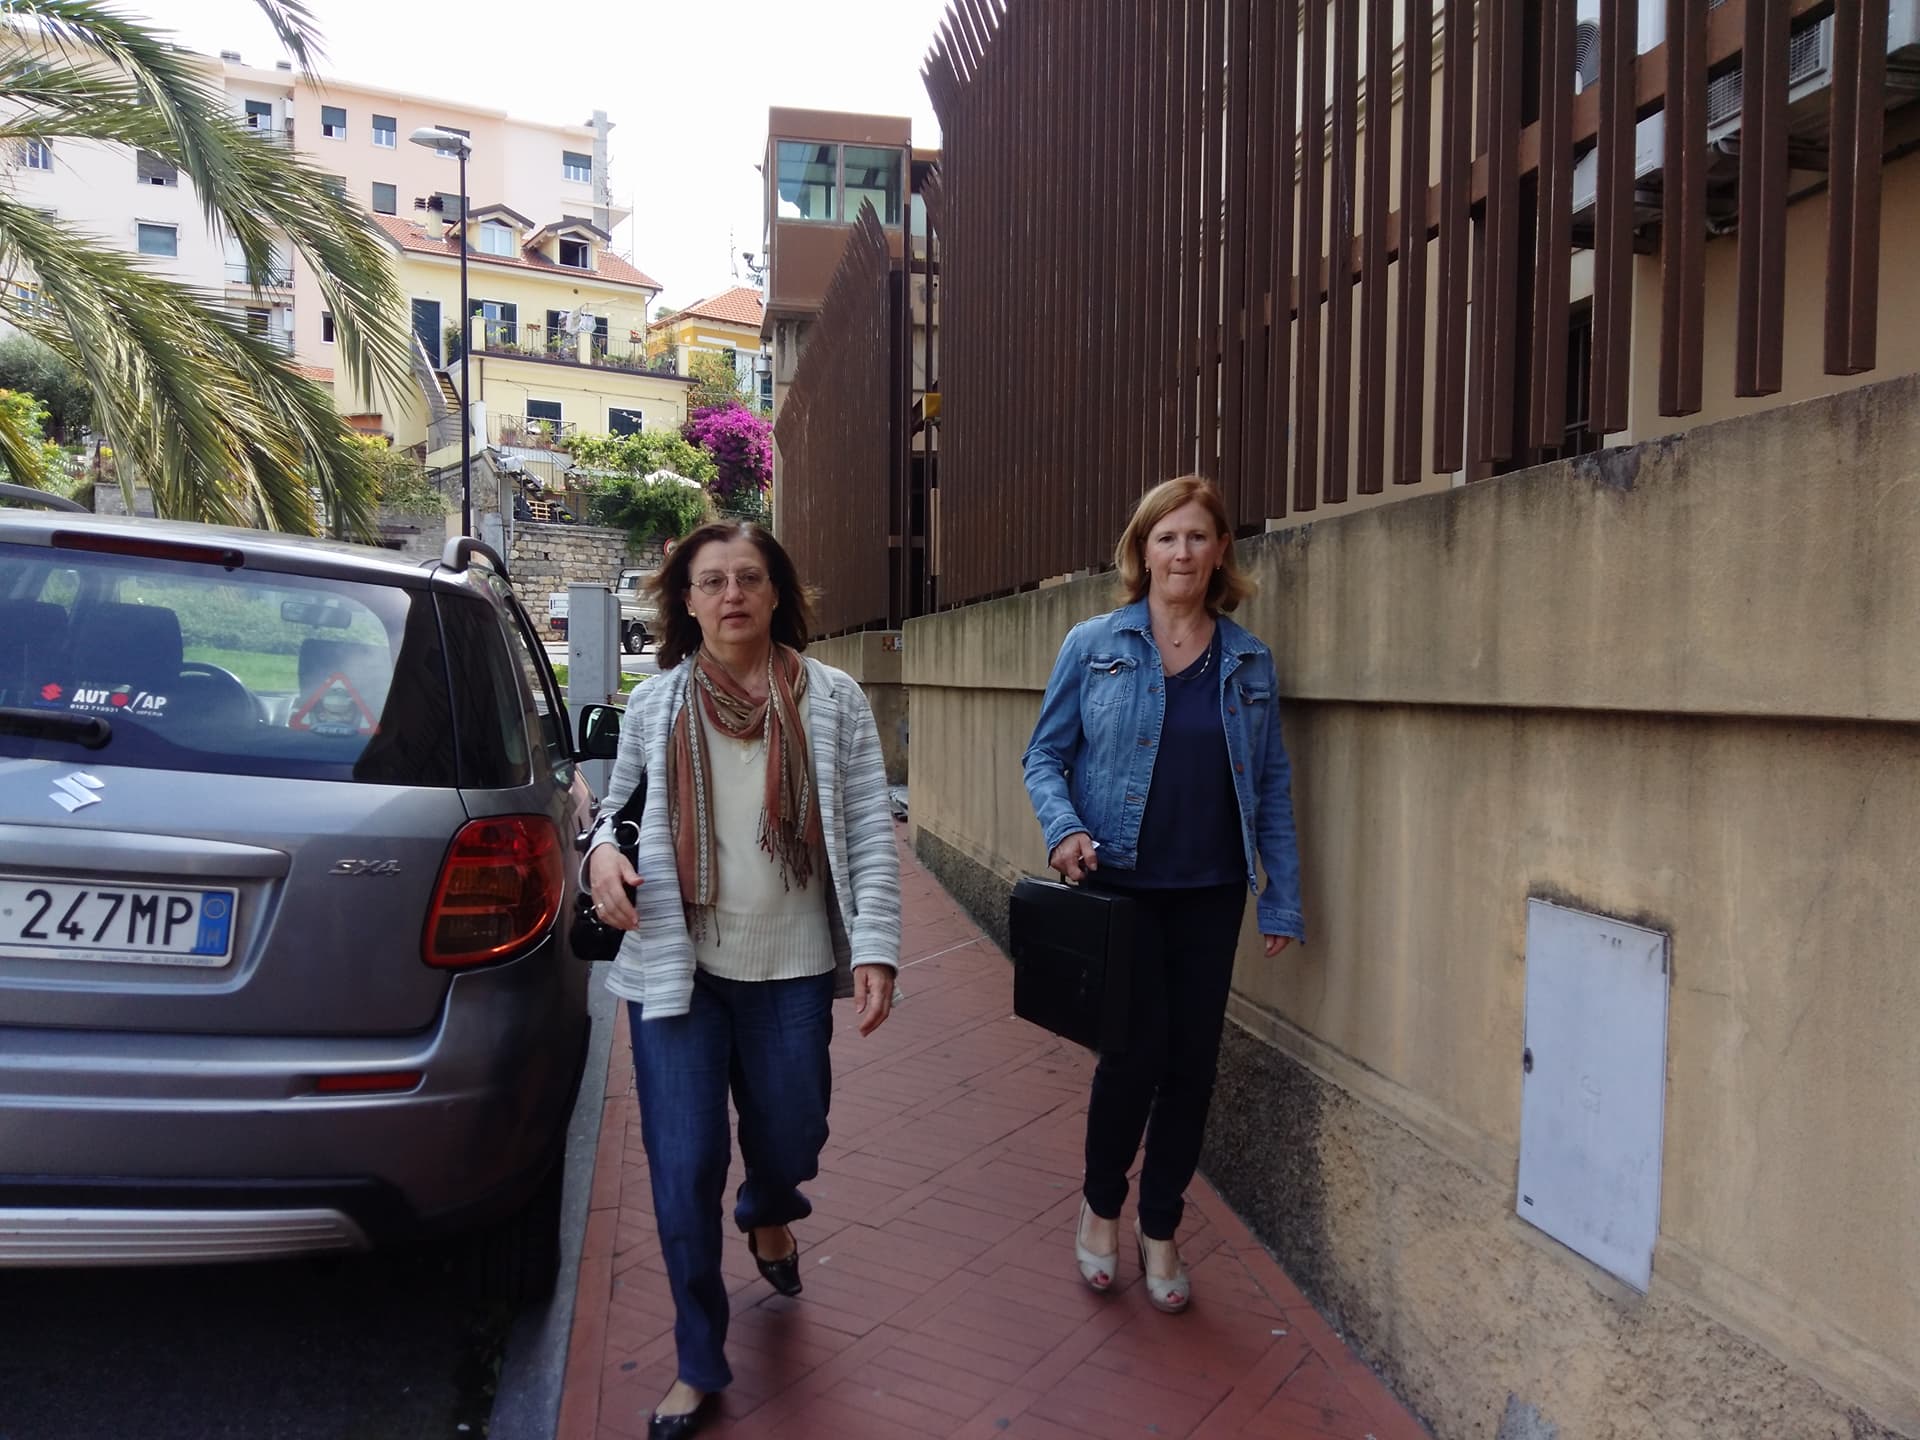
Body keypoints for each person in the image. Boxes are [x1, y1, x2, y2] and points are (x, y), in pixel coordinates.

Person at [586, 521, 901, 1438]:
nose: (732, 595)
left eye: (750, 579)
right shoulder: (657, 703)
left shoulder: (832, 700)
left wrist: (876, 945)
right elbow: (615, 813)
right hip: (675, 970)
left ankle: (769, 1208)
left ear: (775, 594)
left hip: (793, 967)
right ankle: (697, 1361)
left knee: (795, 1132)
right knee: (683, 1168)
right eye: (713, 581)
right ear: (686, 601)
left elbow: (868, 829)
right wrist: (601, 858)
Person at [1021, 475, 1303, 1315]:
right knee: (1132, 1058)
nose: (1182, 552)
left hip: (1212, 891)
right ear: (1142, 552)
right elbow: (1044, 756)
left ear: (1220, 552)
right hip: (1123, 888)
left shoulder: (1249, 661)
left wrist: (1281, 898)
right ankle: (1102, 1207)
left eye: (1197, 537)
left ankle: (1162, 1226)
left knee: (1192, 1069)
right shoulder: (1094, 644)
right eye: (1166, 537)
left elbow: (1272, 787)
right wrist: (1064, 828)